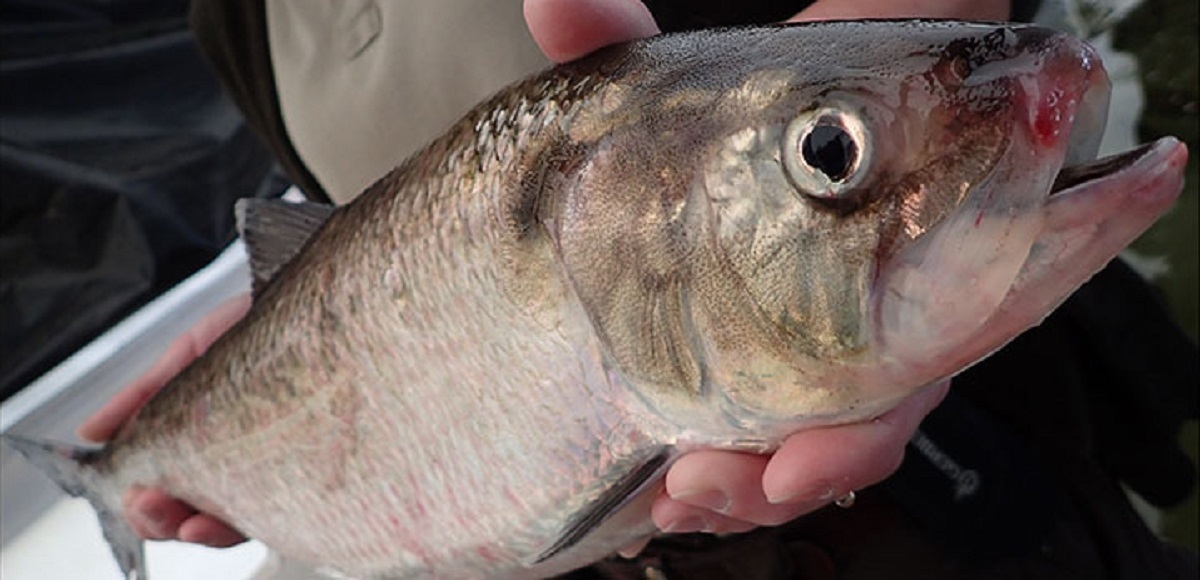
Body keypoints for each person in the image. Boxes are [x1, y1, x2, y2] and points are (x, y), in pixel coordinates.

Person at [76, 1, 1200, 577]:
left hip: (950, 500)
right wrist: (330, 321)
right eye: (834, 156)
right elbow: (353, 200)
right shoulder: (230, 18)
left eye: (830, 155)